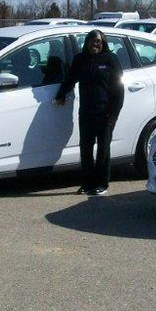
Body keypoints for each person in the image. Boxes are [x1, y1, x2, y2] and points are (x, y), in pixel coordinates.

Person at [54, 30, 124, 196]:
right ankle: (87, 183)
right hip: (86, 111)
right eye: (93, 41)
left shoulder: (110, 59)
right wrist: (61, 94)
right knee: (85, 147)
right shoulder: (80, 59)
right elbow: (71, 79)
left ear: (103, 43)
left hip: (106, 112)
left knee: (103, 148)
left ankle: (101, 183)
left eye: (99, 42)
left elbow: (119, 88)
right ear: (87, 42)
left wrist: (115, 112)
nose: (96, 44)